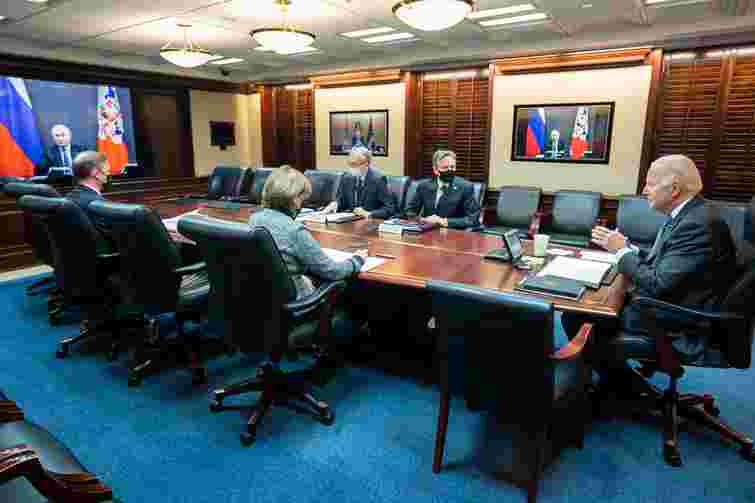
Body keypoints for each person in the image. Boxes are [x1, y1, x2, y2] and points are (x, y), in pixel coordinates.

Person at [562, 154, 737, 391]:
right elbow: (669, 261)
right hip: (676, 303)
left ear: (674, 189)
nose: (644, 190)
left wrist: (622, 252)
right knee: (583, 310)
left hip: (676, 320)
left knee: (579, 315)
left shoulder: (696, 223)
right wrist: (629, 248)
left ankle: (625, 388)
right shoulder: (691, 213)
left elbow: (658, 282)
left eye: (650, 184)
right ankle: (622, 383)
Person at [249, 165, 366, 299]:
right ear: (294, 198)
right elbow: (332, 271)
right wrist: (357, 260)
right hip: (295, 299)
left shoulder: (254, 219)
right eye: (302, 198)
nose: (302, 204)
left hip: (265, 296)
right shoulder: (294, 230)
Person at [405, 150, 480, 229]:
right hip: (427, 231)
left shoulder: (465, 187)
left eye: (452, 167)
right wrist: (423, 220)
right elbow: (409, 212)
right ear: (435, 170)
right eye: (445, 168)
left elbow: (473, 219)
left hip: (453, 232)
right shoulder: (424, 186)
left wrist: (444, 221)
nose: (450, 170)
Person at [322, 146, 396, 219]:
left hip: (370, 222)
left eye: (354, 164)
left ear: (366, 163)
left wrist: (369, 214)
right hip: (349, 221)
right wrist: (335, 204)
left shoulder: (378, 179)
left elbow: (389, 208)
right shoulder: (346, 177)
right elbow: (342, 200)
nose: (351, 168)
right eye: (349, 164)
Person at [66, 151, 114, 253]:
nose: (109, 174)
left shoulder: (67, 199)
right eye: (107, 171)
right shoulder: (100, 206)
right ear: (96, 173)